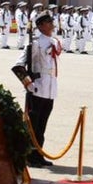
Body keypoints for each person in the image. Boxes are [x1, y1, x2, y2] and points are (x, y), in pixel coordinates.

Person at [20, 13, 62, 168]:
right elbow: (19, 66)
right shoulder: (35, 43)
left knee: (42, 125)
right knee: (34, 125)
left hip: (50, 89)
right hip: (37, 89)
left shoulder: (53, 42)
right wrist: (28, 84)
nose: (52, 24)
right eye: (49, 22)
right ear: (41, 25)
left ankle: (39, 154)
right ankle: (30, 156)